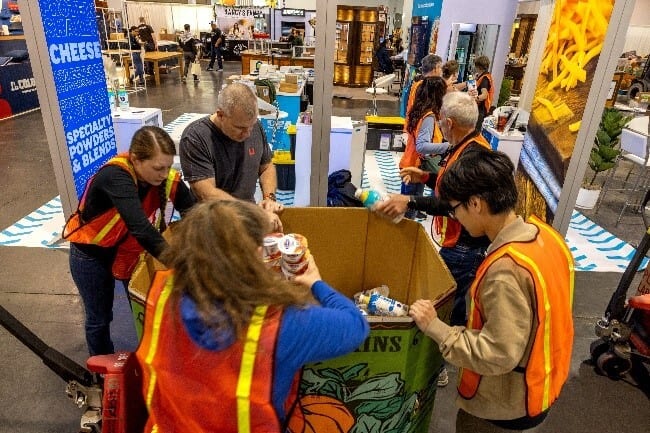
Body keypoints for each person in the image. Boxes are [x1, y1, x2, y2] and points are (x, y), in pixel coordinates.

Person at [135, 199, 370, 432]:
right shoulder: (281, 324)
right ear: (256, 254)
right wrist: (315, 282)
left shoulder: (164, 295)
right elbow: (356, 325)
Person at [410, 148, 574, 433]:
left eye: (455, 209)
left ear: (475, 204)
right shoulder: (546, 237)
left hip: (502, 409)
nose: (455, 217)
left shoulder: (506, 271)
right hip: (541, 387)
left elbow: (497, 353)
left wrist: (436, 328)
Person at [375, 91, 492, 386]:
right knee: (457, 299)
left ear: (450, 123)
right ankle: (460, 348)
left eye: (441, 120)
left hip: (465, 248)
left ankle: (436, 364)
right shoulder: (466, 147)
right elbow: (453, 181)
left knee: (439, 304)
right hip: (461, 244)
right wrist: (425, 177)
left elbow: (454, 204)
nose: (439, 124)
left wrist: (409, 202)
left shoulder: (474, 156)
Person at [63, 126, 196, 356]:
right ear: (135, 159)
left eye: (167, 166)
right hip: (91, 255)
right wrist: (182, 266)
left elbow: (194, 213)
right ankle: (102, 369)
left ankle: (151, 361)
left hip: (129, 253)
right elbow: (141, 229)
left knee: (143, 309)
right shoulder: (116, 176)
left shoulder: (166, 178)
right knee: (99, 317)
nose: (164, 174)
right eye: (157, 168)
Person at [179, 82, 284, 231]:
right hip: (211, 225)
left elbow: (266, 166)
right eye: (240, 128)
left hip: (246, 220)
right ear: (221, 115)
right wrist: (253, 213)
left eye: (251, 126)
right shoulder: (196, 138)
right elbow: (206, 193)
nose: (247, 134)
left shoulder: (255, 128)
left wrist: (269, 198)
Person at [399, 76, 449, 219]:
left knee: (408, 207)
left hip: (410, 162)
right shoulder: (429, 116)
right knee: (409, 211)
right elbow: (422, 146)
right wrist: (446, 146)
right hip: (416, 166)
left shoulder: (419, 110)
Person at [473, 55, 494, 130]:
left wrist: (474, 99)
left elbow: (484, 95)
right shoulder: (485, 76)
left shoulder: (484, 79)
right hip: (481, 110)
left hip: (480, 111)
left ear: (478, 67)